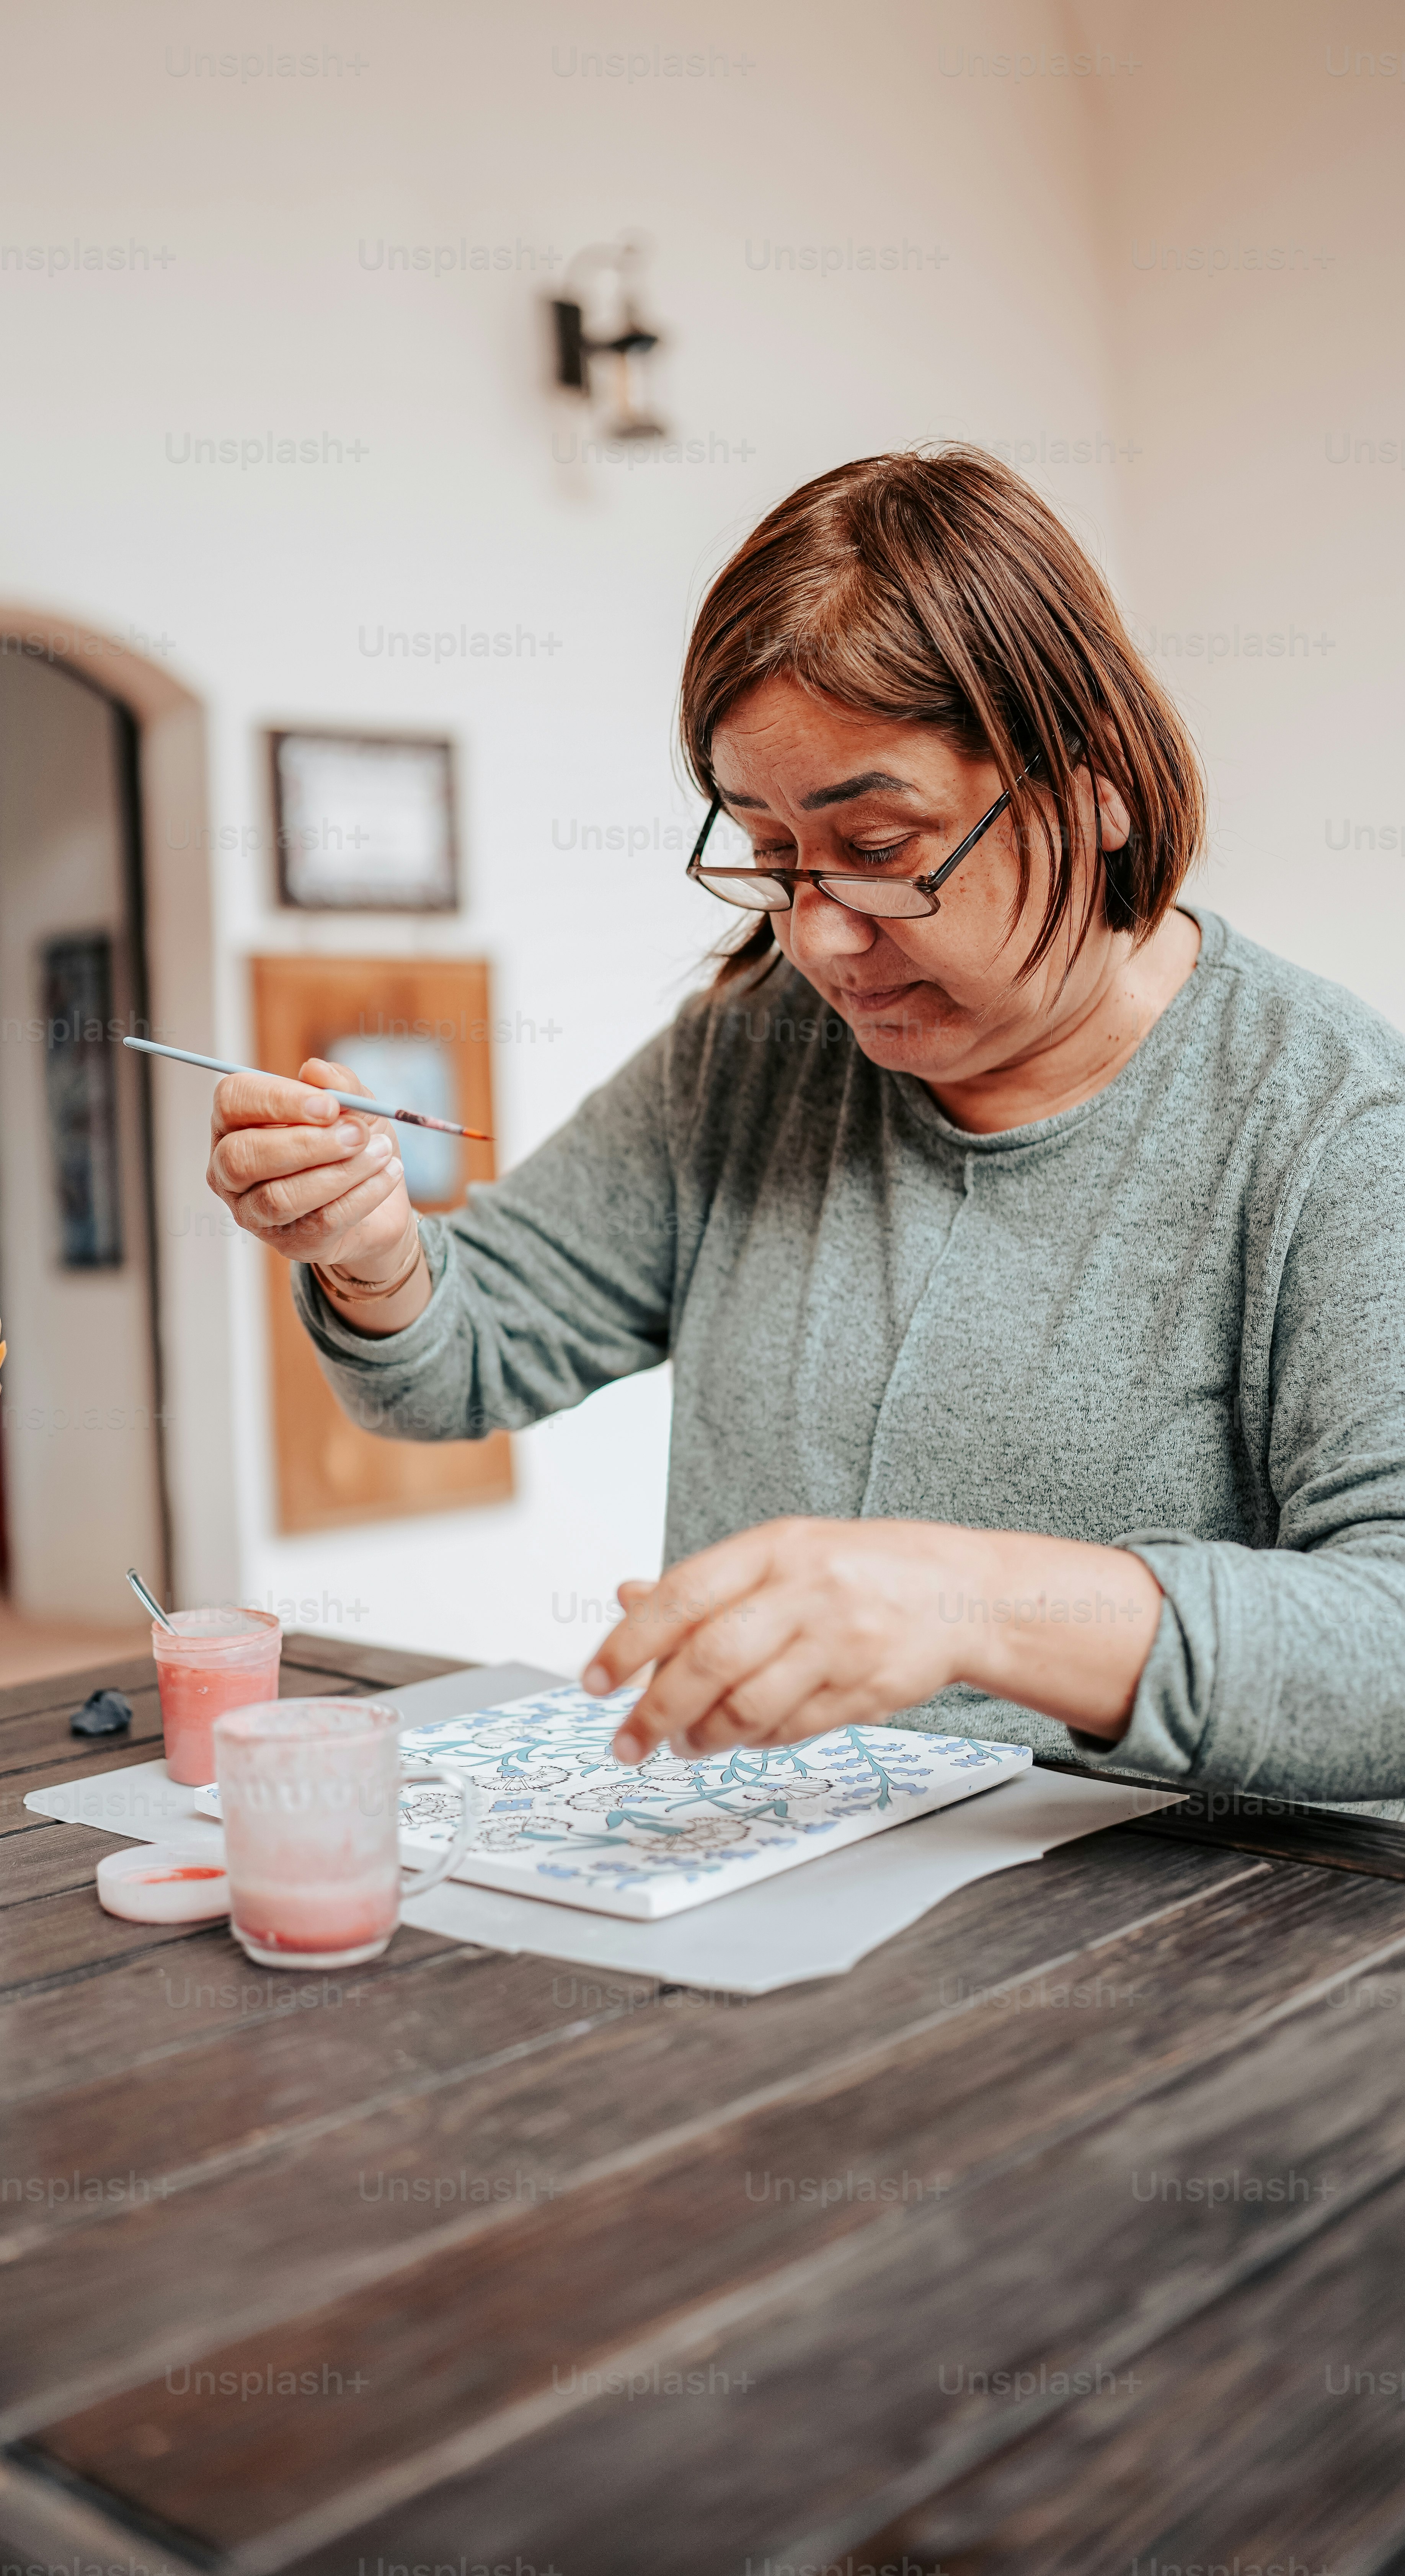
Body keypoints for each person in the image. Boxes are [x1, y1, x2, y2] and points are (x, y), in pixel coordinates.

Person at [206, 448, 1405, 1811]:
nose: (820, 939)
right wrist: (370, 1251)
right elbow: (450, 1367)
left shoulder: (1335, 1127)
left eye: (881, 846)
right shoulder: (756, 1047)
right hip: (768, 1897)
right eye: (772, 854)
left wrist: (976, 1601)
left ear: (1095, 788)